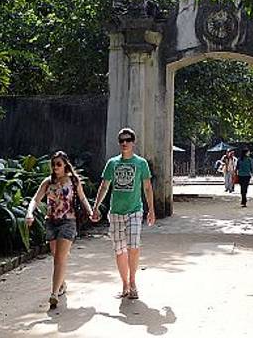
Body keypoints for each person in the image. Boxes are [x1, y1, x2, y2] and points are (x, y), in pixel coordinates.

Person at [25, 150, 96, 308]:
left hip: (68, 222)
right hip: (51, 222)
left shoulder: (73, 181)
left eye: (58, 164)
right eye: (53, 164)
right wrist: (29, 213)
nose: (55, 167)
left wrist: (91, 212)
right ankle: (62, 283)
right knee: (56, 256)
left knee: (59, 258)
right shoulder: (48, 182)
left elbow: (82, 198)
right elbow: (36, 199)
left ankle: (54, 293)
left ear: (65, 165)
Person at [92, 127, 155, 299]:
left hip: (134, 210)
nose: (124, 143)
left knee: (133, 246)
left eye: (128, 140)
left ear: (133, 142)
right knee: (120, 250)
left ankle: (133, 282)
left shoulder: (141, 163)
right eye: (121, 140)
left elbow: (147, 187)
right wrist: (96, 207)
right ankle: (125, 284)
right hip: (116, 212)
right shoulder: (112, 163)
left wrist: (151, 210)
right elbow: (104, 186)